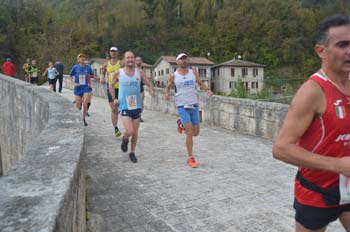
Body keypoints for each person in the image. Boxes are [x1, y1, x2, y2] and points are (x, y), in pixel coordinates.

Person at [272, 14, 350, 232]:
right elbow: (281, 149)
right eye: (342, 45)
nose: (349, 51)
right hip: (317, 192)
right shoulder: (313, 91)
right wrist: (338, 165)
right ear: (321, 51)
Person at [164, 52, 213, 168]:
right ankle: (191, 158)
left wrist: (207, 90)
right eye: (181, 59)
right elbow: (168, 86)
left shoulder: (193, 72)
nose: (184, 61)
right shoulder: (174, 75)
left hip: (194, 105)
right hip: (182, 106)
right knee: (190, 132)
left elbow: (200, 83)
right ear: (177, 62)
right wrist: (166, 93)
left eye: (185, 59)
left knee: (196, 133)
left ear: (188, 60)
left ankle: (181, 124)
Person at [109, 51, 155, 163]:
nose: (130, 59)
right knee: (129, 131)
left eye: (132, 58)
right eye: (128, 58)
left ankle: (132, 152)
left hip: (136, 105)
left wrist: (151, 89)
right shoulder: (118, 73)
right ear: (124, 60)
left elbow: (148, 82)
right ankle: (125, 140)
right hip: (124, 105)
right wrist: (114, 98)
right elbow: (110, 85)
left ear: (134, 59)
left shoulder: (139, 72)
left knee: (135, 132)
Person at [69, 53, 98, 126]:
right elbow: (70, 76)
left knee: (85, 103)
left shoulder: (88, 67)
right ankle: (78, 118)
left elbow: (92, 75)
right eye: (80, 57)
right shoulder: (75, 67)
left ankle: (83, 119)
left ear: (85, 59)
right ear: (78, 60)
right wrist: (74, 83)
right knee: (78, 107)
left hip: (86, 87)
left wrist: (96, 78)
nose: (82, 58)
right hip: (78, 88)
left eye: (83, 57)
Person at [102, 47, 122, 137]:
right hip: (111, 88)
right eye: (111, 51)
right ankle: (116, 128)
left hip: (121, 88)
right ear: (110, 53)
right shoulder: (106, 65)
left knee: (118, 109)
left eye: (115, 51)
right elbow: (103, 73)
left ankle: (118, 120)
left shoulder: (121, 63)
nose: (113, 53)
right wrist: (102, 78)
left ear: (117, 53)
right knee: (114, 109)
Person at [135, 56, 145, 122]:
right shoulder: (133, 69)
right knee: (133, 103)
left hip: (141, 87)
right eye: (137, 60)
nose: (138, 61)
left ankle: (139, 116)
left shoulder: (142, 70)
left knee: (141, 103)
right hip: (133, 88)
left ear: (141, 61)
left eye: (139, 60)